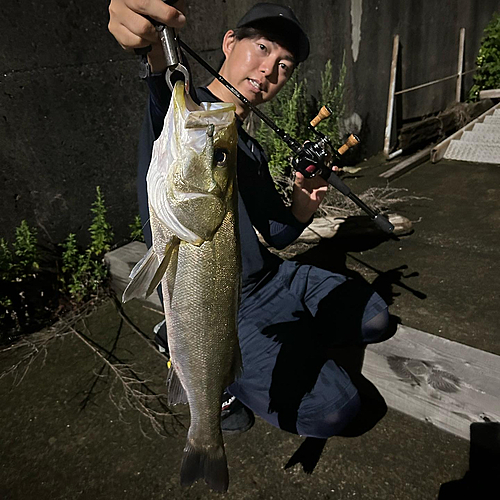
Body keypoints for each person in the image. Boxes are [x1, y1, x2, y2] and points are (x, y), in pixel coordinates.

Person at [108, 0, 392, 439]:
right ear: (228, 43)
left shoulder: (252, 151)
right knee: (336, 409)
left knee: (376, 318)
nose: (267, 71)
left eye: (284, 66)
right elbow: (162, 73)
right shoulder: (186, 116)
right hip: (223, 305)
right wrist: (147, 36)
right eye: (260, 48)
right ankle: (196, 356)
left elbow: (278, 234)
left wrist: (303, 200)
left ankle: (283, 341)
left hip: (270, 276)